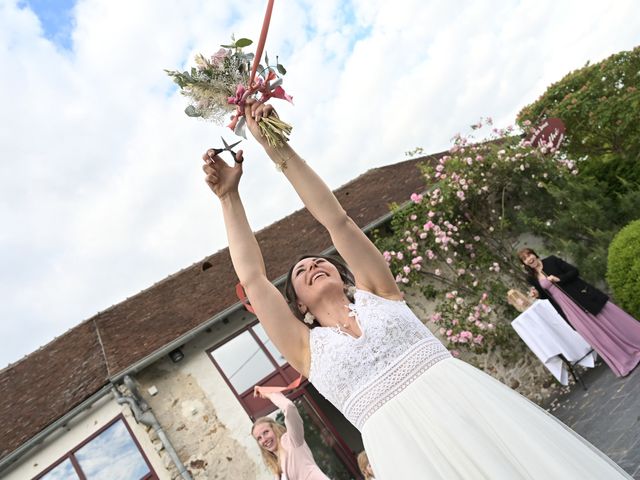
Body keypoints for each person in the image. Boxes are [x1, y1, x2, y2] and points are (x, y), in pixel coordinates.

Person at [202, 100, 632, 479]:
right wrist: (228, 197)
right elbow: (255, 280)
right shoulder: (304, 347)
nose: (313, 264)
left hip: (474, 410)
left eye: (320, 261)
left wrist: (276, 148)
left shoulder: (378, 292)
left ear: (344, 276)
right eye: (301, 271)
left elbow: (337, 221)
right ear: (297, 305)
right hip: (408, 454)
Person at [518, 248, 640, 377]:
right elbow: (546, 295)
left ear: (534, 254)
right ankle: (623, 360)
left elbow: (574, 271)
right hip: (567, 308)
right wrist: (537, 295)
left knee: (610, 319)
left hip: (582, 297)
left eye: (529, 255)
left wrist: (559, 278)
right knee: (594, 333)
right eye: (525, 259)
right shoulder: (532, 278)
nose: (529, 259)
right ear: (524, 264)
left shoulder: (551, 261)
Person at [252, 391, 330, 480]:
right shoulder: (277, 468)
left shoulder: (291, 441)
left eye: (266, 432)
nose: (264, 439)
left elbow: (289, 407)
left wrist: (269, 394)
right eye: (259, 438)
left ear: (275, 429)